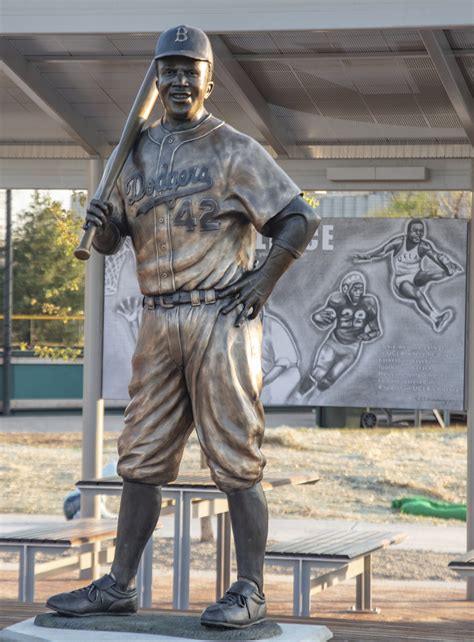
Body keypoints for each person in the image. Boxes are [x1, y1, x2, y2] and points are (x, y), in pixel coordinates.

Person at [46, 25, 319, 628]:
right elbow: (117, 234)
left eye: (188, 70)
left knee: (236, 460)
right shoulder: (134, 150)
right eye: (167, 70)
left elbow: (299, 218)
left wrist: (262, 281)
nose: (177, 80)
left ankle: (249, 588)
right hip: (157, 318)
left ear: (208, 80)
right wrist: (103, 221)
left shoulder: (233, 148)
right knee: (140, 458)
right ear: (156, 80)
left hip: (218, 318)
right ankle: (119, 584)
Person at [353, 218, 462, 333]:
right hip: (401, 281)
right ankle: (436, 319)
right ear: (408, 231)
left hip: (416, 276)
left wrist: (447, 264)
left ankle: (451, 271)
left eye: (421, 231)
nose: (418, 234)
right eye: (415, 231)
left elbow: (436, 256)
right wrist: (368, 256)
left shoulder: (423, 246)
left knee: (435, 273)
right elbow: (383, 251)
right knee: (418, 295)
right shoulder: (399, 242)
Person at [296, 271, 381, 395]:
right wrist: (317, 317)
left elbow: (376, 330)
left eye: (361, 289)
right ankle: (298, 395)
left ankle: (314, 399)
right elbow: (324, 318)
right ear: (346, 289)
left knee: (329, 379)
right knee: (318, 372)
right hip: (333, 343)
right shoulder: (337, 300)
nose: (359, 292)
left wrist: (368, 335)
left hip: (351, 349)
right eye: (355, 289)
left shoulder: (369, 303)